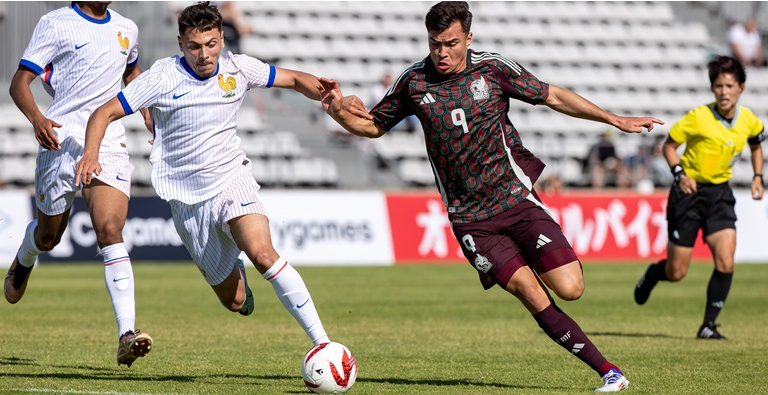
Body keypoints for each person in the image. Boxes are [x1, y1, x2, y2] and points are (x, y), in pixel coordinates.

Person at [320, 2, 663, 392]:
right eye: (435, 44)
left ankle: (532, 268)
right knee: (530, 292)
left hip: (516, 200)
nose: (442, 53)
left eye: (450, 43)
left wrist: (614, 120)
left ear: (469, 37)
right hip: (472, 220)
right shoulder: (414, 82)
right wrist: (335, 109)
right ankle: (610, 373)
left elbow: (552, 96)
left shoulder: (493, 68)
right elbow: (373, 125)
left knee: (571, 288)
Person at [75, 2, 366, 349]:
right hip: (186, 199)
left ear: (222, 41)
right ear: (181, 43)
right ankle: (236, 277)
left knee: (262, 254)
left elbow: (292, 79)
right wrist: (91, 154)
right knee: (235, 301)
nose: (204, 54)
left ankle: (323, 344)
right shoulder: (162, 77)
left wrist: (329, 94)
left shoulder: (238, 69)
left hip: (232, 178)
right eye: (195, 46)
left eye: (211, 44)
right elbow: (104, 112)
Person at [4, 1, 153, 367]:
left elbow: (133, 73)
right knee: (49, 237)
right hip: (61, 137)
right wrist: (38, 118)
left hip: (109, 138)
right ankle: (27, 253)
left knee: (110, 229)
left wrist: (151, 116)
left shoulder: (127, 28)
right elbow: (20, 82)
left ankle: (126, 334)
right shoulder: (56, 23)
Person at [634, 56, 764, 340]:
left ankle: (708, 326)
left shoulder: (749, 120)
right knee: (677, 271)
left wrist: (757, 176)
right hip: (688, 194)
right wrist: (680, 174)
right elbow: (669, 147)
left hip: (720, 195)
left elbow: (756, 145)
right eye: (718, 86)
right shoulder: (698, 117)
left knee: (726, 262)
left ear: (741, 87)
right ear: (712, 89)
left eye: (729, 85)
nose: (724, 91)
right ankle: (655, 274)